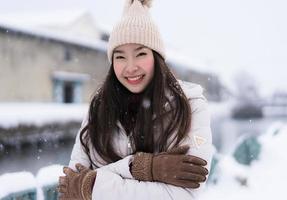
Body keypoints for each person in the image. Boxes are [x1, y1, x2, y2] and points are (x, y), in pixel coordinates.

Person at [58, 0, 214, 199]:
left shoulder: (190, 106)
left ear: (157, 57)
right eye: (120, 57)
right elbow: (71, 186)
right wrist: (142, 168)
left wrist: (93, 186)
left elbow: (184, 194)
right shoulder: (99, 106)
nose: (130, 67)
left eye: (140, 54)